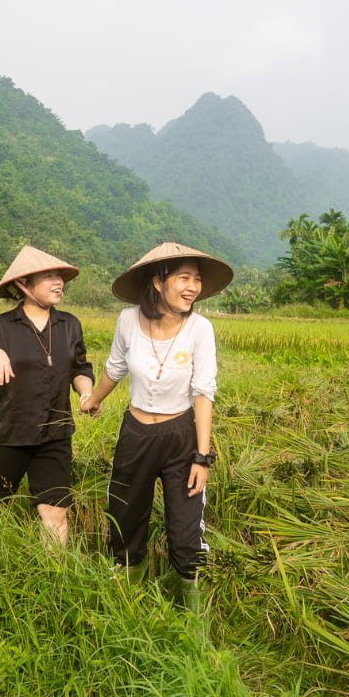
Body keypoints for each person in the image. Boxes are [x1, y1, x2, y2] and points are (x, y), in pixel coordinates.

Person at [80, 242, 233, 611]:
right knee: (125, 520)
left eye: (197, 279)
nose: (193, 287)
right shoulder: (128, 320)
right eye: (184, 277)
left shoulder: (200, 328)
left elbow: (204, 392)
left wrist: (202, 457)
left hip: (181, 436)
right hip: (135, 434)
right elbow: (115, 368)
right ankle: (126, 602)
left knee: (185, 531)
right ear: (158, 282)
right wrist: (94, 398)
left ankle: (193, 617)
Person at [0, 246, 95, 546]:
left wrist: (85, 393)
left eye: (59, 276)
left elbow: (80, 368)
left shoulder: (70, 325)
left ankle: (54, 579)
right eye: (48, 276)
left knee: (55, 513)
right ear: (23, 285)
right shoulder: (0, 328)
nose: (58, 282)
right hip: (10, 433)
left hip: (55, 434)